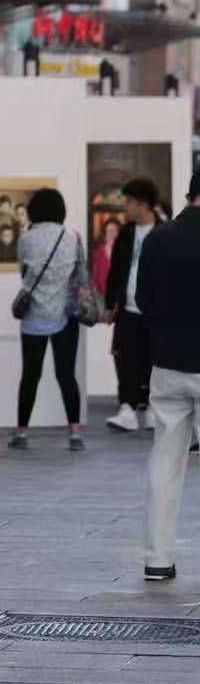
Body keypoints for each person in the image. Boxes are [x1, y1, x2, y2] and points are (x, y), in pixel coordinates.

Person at [138, 171, 200, 582]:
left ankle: (158, 558)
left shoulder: (158, 238)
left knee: (165, 463)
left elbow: (142, 300)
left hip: (168, 363)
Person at [10, 189, 87, 452]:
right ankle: (75, 433)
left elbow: (24, 273)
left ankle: (21, 433)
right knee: (67, 376)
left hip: (33, 318)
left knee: (30, 376)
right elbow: (80, 275)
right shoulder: (73, 237)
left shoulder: (25, 239)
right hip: (65, 316)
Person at [104, 178, 162, 433]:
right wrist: (109, 304)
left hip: (156, 311)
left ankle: (150, 410)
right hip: (127, 308)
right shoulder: (126, 233)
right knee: (124, 357)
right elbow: (115, 271)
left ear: (142, 204)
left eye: (128, 202)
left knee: (153, 360)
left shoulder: (164, 232)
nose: (125, 208)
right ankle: (126, 409)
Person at [91, 218, 120, 298]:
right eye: (110, 231)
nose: (112, 234)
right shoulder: (98, 254)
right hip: (102, 300)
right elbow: (94, 281)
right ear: (105, 235)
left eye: (115, 231)